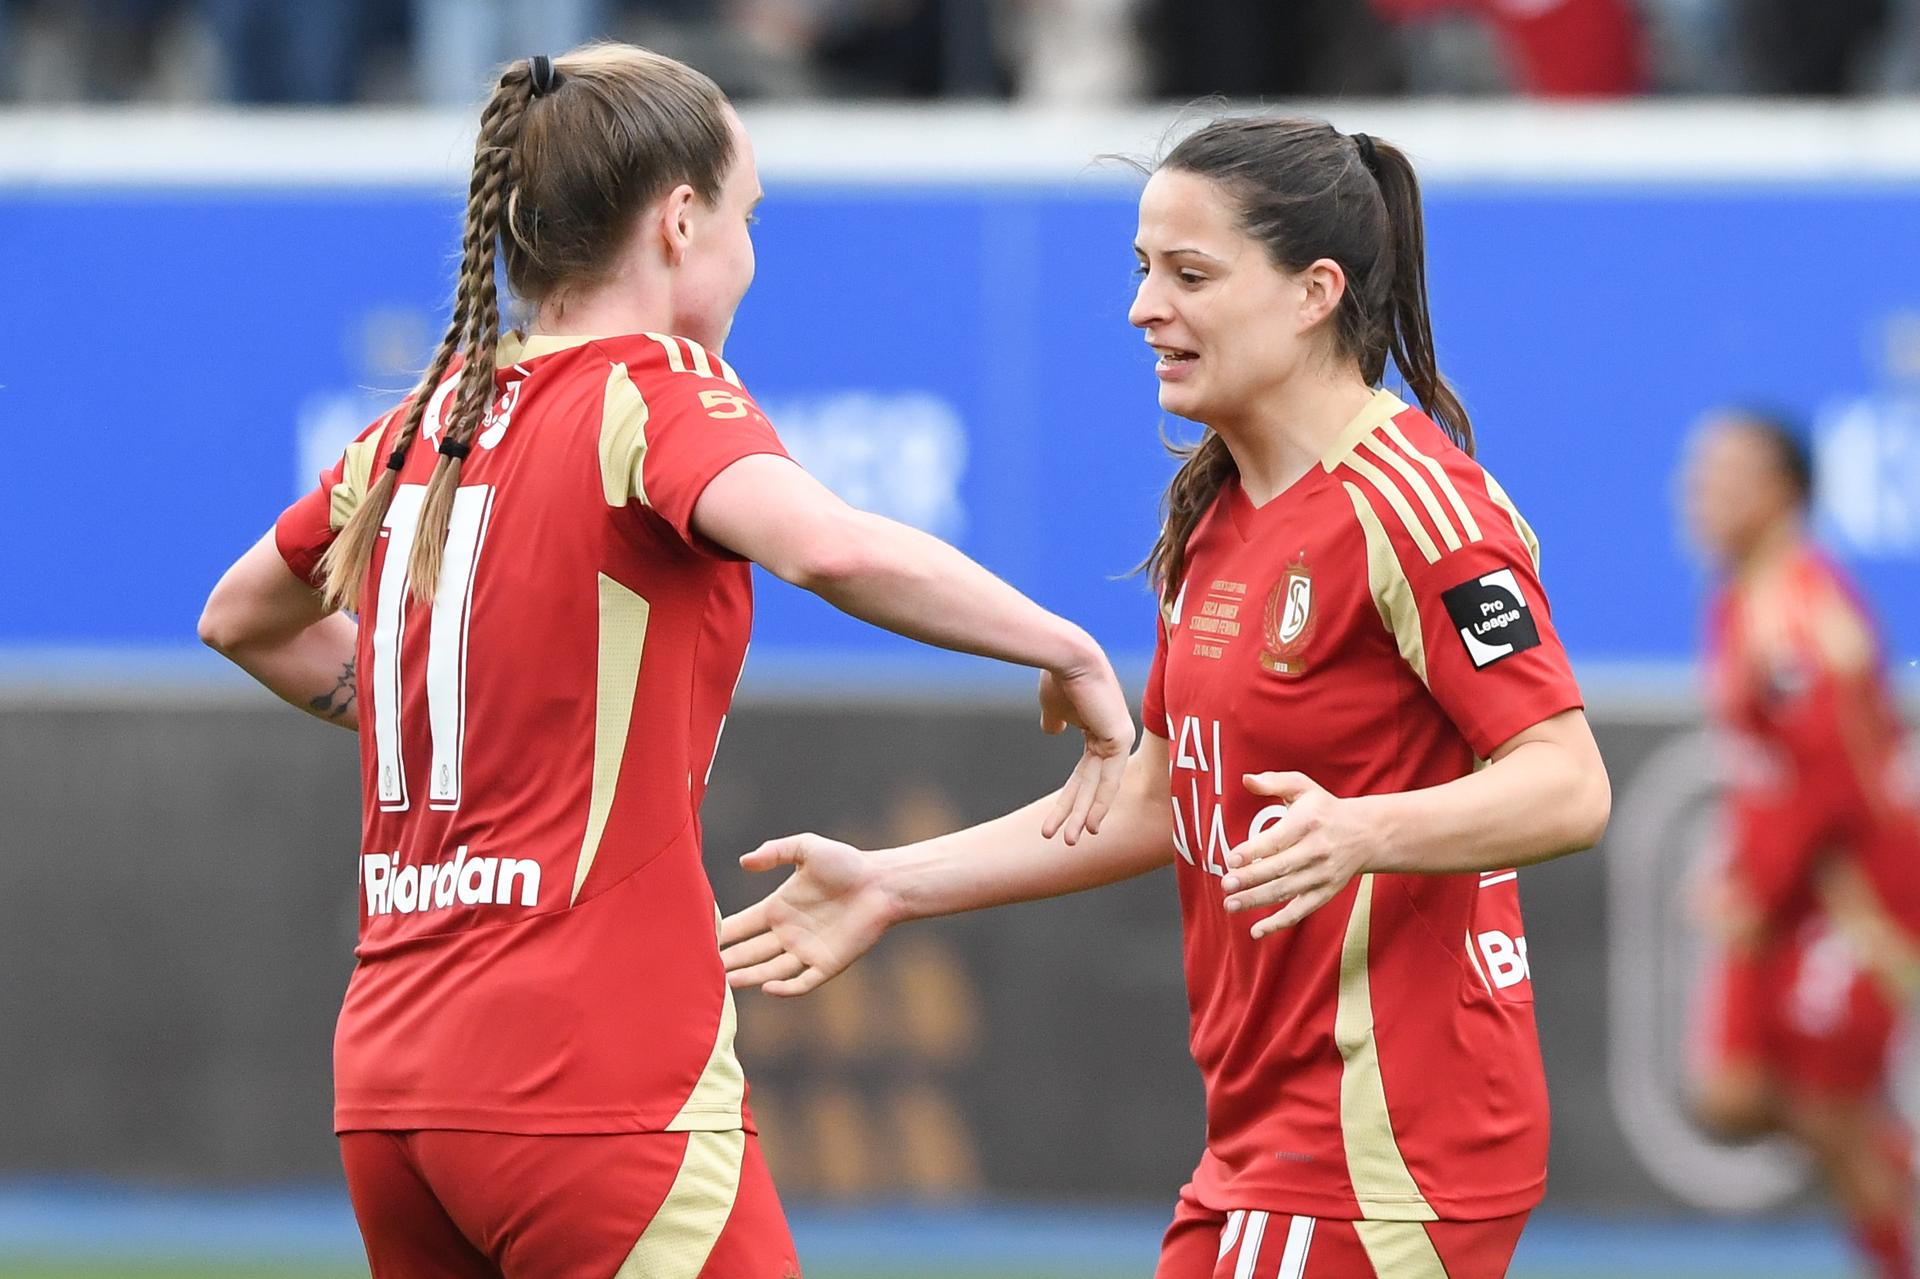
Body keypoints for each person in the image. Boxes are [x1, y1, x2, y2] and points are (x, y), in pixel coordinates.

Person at [196, 43, 1133, 1279]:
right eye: (749, 218)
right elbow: (827, 549)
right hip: (589, 1080)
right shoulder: (654, 386)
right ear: (680, 221)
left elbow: (240, 617)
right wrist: (1066, 645)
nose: (752, 253)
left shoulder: (423, 420)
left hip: (392, 1087)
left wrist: (464, 709)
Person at [721, 117, 1612, 1278]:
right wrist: (891, 883)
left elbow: (1568, 781)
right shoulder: (1219, 514)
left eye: (1190, 275)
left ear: (1313, 292)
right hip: (1269, 1147)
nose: (1146, 309)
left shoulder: (1414, 507)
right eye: (1143, 271)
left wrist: (1365, 828)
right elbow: (1157, 800)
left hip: (1382, 1148)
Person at [1682, 409, 1920, 1279]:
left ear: (1781, 492)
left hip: (1852, 898)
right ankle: (1891, 1170)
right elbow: (1771, 772)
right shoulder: (1743, 598)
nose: (1698, 492)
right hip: (1790, 892)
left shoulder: (1802, 616)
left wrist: (1758, 887)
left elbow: (1837, 785)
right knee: (1733, 1093)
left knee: (1832, 1110)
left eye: (1725, 473)